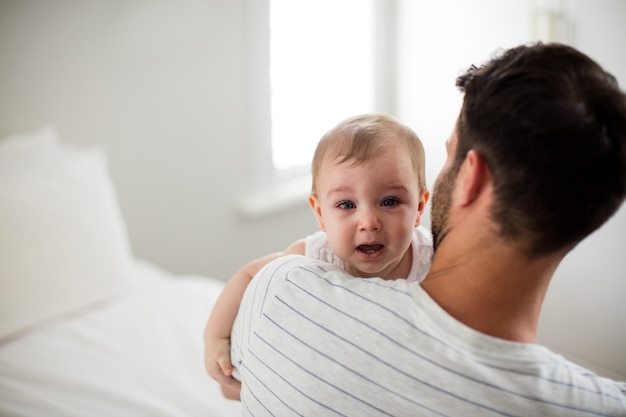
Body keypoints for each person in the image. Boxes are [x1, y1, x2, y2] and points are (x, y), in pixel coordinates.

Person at [221, 42, 626, 416]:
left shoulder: (280, 292)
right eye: (346, 204)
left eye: (449, 153)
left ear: (472, 178)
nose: (369, 221)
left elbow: (230, 375)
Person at [204, 113, 432, 398]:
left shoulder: (432, 258)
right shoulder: (311, 258)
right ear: (320, 213)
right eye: (346, 204)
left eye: (389, 201)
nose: (369, 222)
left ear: (419, 207)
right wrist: (215, 339)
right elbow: (249, 275)